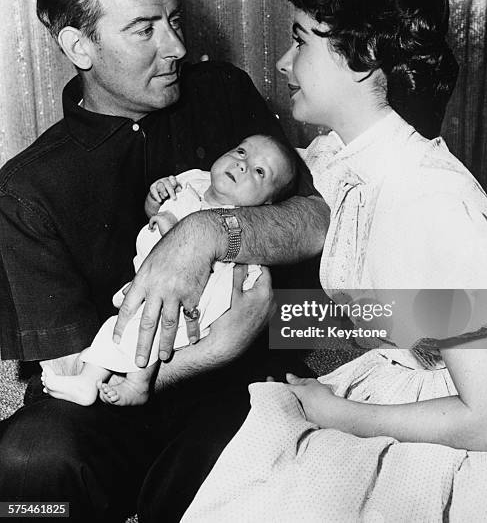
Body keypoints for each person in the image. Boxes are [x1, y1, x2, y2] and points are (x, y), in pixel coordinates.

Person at [180, 0, 487, 522]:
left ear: (360, 57)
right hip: (390, 375)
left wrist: (337, 413)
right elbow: (395, 312)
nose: (284, 63)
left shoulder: (436, 206)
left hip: (462, 433)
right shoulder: (347, 158)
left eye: (301, 40)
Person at [0, 0, 328, 523]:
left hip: (240, 387)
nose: (176, 46)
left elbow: (318, 219)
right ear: (79, 47)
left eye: (173, 21)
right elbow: (74, 371)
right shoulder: (28, 190)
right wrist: (216, 347)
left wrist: (206, 232)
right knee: (27, 479)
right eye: (144, 29)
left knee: (240, 477)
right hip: (114, 398)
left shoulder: (223, 93)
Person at [41, 134, 299, 407]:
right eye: (241, 152)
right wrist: (156, 198)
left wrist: (172, 232)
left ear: (268, 204)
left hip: (197, 294)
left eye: (260, 171)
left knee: (134, 325)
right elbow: (154, 211)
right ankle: (111, 377)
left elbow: (200, 264)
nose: (242, 165)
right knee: (133, 323)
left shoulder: (238, 218)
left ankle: (106, 383)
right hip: (151, 275)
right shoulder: (194, 180)